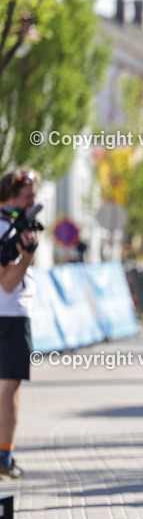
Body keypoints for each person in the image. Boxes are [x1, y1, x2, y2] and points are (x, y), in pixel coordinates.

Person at [0, 167, 39, 479]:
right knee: (8, 388)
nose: (32, 205)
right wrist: (25, 258)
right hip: (10, 316)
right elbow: (8, 284)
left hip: (11, 315)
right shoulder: (5, 229)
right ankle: (4, 456)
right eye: (27, 199)